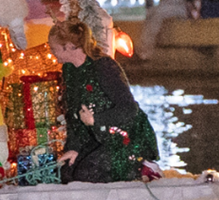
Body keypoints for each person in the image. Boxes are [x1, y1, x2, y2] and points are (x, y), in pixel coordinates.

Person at [48, 20, 159, 184]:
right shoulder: (70, 70)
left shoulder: (103, 66)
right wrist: (73, 148)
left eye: (53, 47)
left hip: (124, 138)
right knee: (66, 174)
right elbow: (74, 115)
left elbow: (128, 109)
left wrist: (96, 120)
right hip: (96, 138)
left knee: (87, 174)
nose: (51, 51)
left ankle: (142, 167)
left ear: (69, 46)